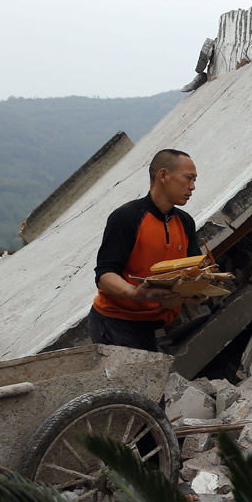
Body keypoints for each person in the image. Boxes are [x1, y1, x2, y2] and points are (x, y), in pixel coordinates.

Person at [88, 148, 206, 351]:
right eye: (188, 178)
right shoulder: (127, 217)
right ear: (163, 175)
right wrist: (135, 293)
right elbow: (105, 275)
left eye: (194, 180)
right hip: (116, 321)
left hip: (153, 322)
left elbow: (193, 271)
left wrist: (196, 292)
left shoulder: (185, 222)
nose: (192, 187)